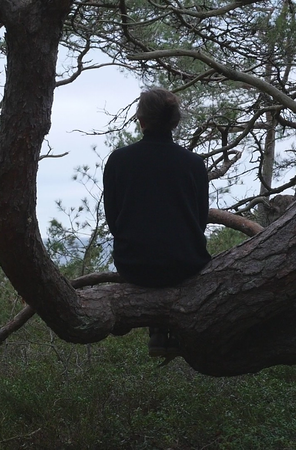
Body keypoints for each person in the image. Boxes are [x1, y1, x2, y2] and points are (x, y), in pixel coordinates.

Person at [103, 87, 212, 358]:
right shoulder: (194, 164)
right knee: (171, 262)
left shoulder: (119, 161)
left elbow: (114, 223)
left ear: (140, 120)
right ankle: (168, 328)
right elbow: (200, 221)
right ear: (175, 122)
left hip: (134, 265)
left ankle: (159, 328)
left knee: (154, 260)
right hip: (186, 264)